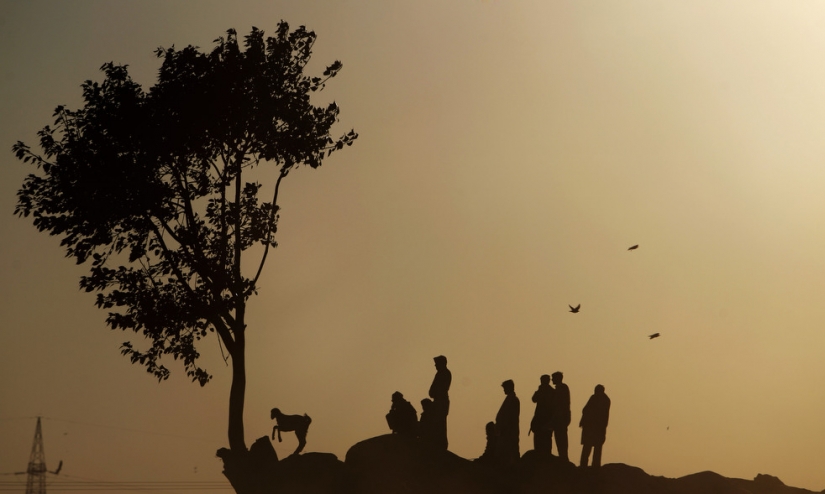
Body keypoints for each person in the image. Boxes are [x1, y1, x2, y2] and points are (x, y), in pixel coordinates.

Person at [579, 384, 611, 468]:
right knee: (590, 447)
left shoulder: (603, 400)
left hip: (596, 427)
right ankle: (587, 465)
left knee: (594, 447)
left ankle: (592, 465)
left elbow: (586, 410)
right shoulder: (599, 399)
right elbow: (586, 410)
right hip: (593, 427)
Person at [428, 355, 452, 450]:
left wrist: (433, 392)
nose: (435, 365)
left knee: (440, 423)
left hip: (441, 401)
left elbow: (439, 388)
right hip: (439, 401)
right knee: (438, 423)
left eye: (437, 364)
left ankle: (441, 444)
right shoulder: (442, 373)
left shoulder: (443, 373)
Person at [495, 379, 520, 465]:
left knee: (510, 454)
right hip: (505, 433)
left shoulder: (513, 400)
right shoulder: (510, 399)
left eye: (505, 388)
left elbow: (510, 418)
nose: (504, 390)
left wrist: (504, 428)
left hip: (509, 433)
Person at [530, 374, 555, 455]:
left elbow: (534, 399)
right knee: (539, 440)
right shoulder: (547, 391)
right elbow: (534, 399)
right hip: (540, 420)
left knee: (545, 440)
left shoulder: (551, 391)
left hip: (546, 420)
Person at [551, 371, 571, 461]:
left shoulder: (562, 388)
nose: (552, 380)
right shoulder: (560, 388)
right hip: (560, 418)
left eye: (553, 378)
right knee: (560, 439)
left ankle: (564, 457)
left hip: (561, 418)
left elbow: (560, 404)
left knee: (561, 439)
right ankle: (563, 456)